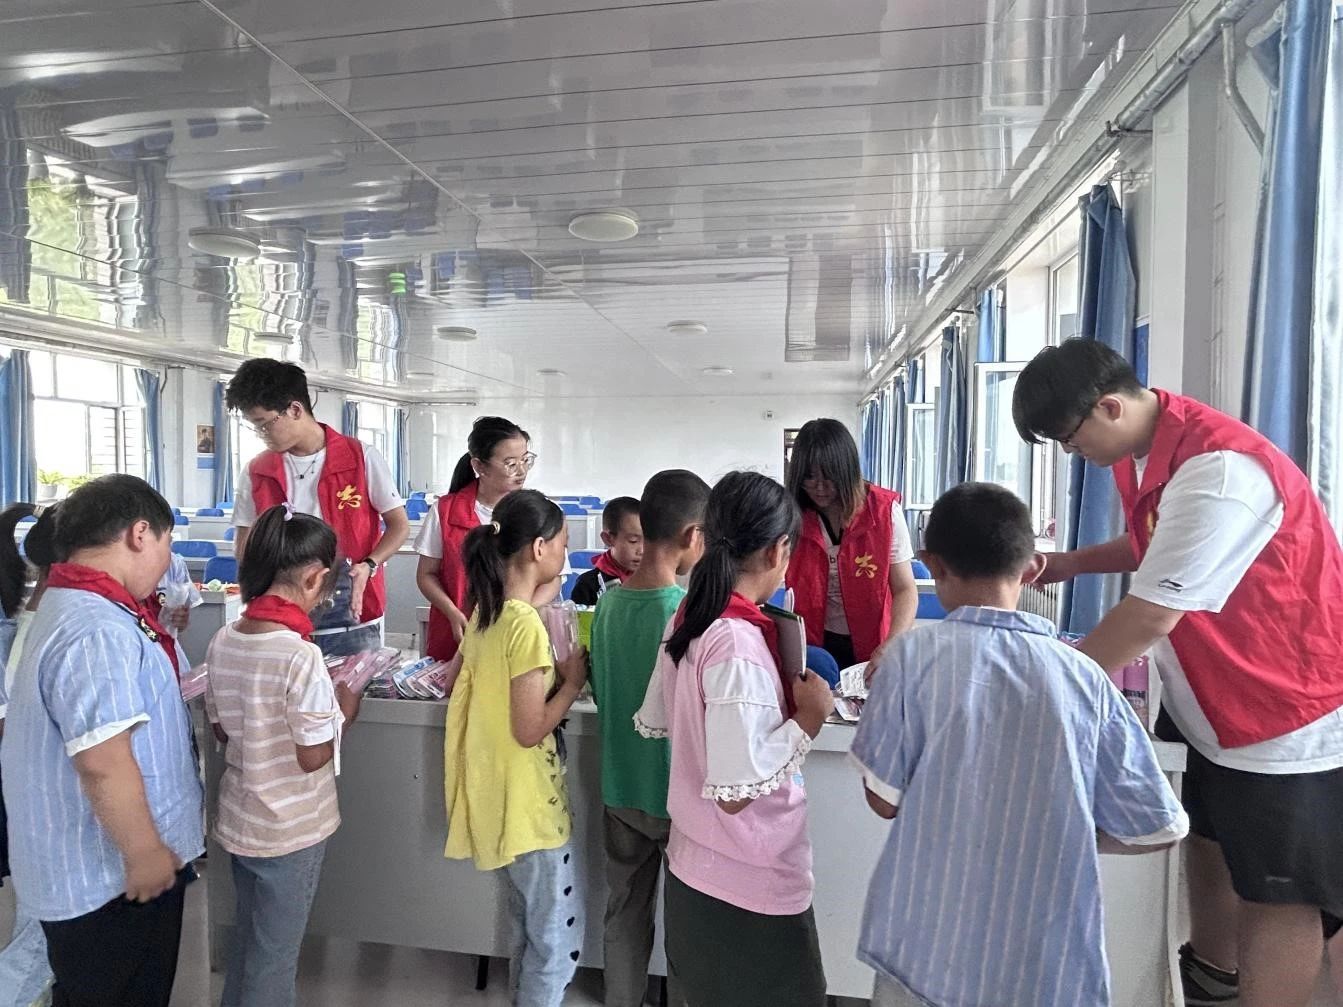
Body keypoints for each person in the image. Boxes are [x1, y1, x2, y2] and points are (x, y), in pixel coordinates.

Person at [1012, 337, 1343, 1007]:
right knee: (1207, 844)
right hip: (1208, 700)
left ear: (1108, 407)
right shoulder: (1149, 447)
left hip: (1280, 712)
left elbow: (1149, 616)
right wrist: (1071, 564)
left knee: (1277, 893)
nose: (1073, 454)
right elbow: (1157, 545)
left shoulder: (1219, 471)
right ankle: (1211, 981)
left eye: (1071, 441)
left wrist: (1048, 690)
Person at [851, 482, 1187, 1007]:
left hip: (926, 944)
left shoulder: (909, 658)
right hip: (1045, 959)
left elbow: (882, 799)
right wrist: (1060, 827)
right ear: (1031, 569)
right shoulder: (1084, 676)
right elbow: (1158, 827)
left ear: (931, 564)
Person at [634, 471, 835, 1007]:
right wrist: (809, 719)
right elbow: (736, 793)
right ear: (777, 550)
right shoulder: (736, 643)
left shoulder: (691, 618)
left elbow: (665, 717)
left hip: (694, 868)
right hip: (748, 883)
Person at [3, 475, 203, 1007]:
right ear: (140, 534)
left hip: (103, 873)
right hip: (107, 879)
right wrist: (144, 851)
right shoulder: (95, 628)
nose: (166, 559)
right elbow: (103, 760)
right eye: (167, 543)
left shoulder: (82, 605)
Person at [205, 504, 360, 1007]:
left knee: (250, 945)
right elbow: (312, 757)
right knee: (275, 959)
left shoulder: (224, 639)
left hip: (243, 820)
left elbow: (222, 729)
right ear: (314, 578)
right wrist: (343, 710)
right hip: (290, 830)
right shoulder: (299, 654)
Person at [443, 489, 588, 1006]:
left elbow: (457, 679)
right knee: (555, 942)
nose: (566, 555)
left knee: (528, 928)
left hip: (499, 798)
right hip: (530, 808)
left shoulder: (489, 614)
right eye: (563, 544)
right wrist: (572, 682)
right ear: (539, 548)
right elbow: (529, 729)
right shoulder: (523, 625)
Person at [588, 471, 708, 1006]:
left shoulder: (608, 604)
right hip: (674, 797)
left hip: (619, 788)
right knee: (687, 926)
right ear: (692, 536)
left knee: (624, 912)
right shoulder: (683, 615)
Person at [226, 359, 409, 657]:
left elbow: (399, 525)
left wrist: (370, 565)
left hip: (350, 607)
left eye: (264, 424)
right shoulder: (257, 470)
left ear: (295, 410)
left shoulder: (360, 457)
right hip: (282, 610)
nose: (261, 434)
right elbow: (245, 543)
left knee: (351, 683)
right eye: (254, 427)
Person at [784, 418, 918, 670]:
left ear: (847, 471)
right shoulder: (792, 515)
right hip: (814, 641)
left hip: (874, 642)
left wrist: (893, 642)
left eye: (829, 477)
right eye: (809, 477)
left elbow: (905, 589)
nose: (819, 487)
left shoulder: (884, 512)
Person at [416, 416, 537, 661]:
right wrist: (452, 612)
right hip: (457, 635)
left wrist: (523, 610)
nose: (521, 471)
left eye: (525, 460)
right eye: (510, 463)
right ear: (480, 466)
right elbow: (426, 574)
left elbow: (553, 578)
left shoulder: (536, 512)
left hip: (518, 633)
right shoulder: (445, 511)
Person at [0, 504, 58, 1006]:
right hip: (46, 810)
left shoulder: (38, 619)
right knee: (35, 942)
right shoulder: (45, 629)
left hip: (38, 808)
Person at [571, 496, 643, 607]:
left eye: (648, 541)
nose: (642, 550)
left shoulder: (653, 579)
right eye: (633, 541)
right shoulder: (588, 585)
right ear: (608, 539)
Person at [150, 552, 202, 634]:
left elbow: (183, 619)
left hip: (164, 637)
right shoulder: (131, 564)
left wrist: (180, 620)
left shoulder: (175, 563)